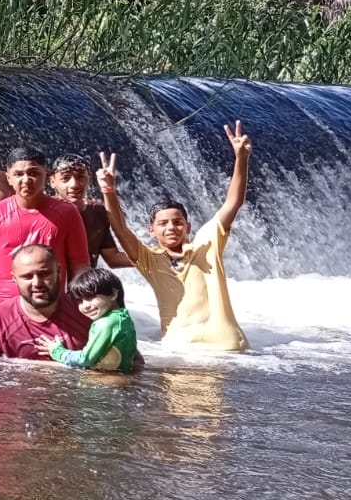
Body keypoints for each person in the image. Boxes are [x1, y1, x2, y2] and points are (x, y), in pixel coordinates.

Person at [96, 123, 253, 352]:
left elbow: (233, 202)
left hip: (223, 345)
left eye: (178, 222)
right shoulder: (149, 259)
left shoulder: (206, 244)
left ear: (187, 226)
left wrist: (241, 158)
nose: (171, 227)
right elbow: (120, 228)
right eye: (163, 223)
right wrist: (108, 191)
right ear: (152, 230)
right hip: (179, 348)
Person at [0, 146, 90, 312]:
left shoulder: (67, 213)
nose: (26, 180)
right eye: (18, 174)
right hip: (6, 310)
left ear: (46, 175)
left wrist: (77, 304)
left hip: (53, 309)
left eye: (33, 173)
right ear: (8, 178)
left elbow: (80, 264)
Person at [0, 244, 90, 360]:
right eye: (27, 277)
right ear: (14, 279)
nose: (37, 283)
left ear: (59, 271)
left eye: (44, 274)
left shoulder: (86, 311)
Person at [38, 268, 137, 373]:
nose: (85, 306)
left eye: (90, 297)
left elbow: (85, 359)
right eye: (80, 301)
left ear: (113, 294)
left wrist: (57, 351)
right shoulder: (124, 318)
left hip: (102, 381)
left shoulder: (105, 323)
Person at [50, 154, 133, 269]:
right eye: (65, 178)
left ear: (89, 179)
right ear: (52, 181)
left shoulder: (97, 212)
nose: (74, 185)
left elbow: (114, 258)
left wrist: (153, 257)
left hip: (84, 279)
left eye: (80, 177)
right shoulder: (43, 212)